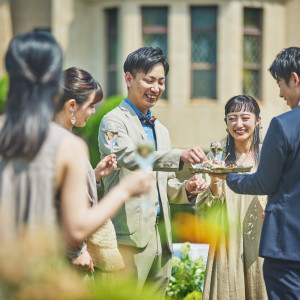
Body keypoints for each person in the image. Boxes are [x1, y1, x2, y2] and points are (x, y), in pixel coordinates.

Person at [0, 32, 152, 252]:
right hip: (42, 271)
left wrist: (94, 174)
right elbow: (76, 231)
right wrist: (125, 189)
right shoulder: (67, 145)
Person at [98, 46, 207, 296]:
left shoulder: (162, 130)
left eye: (161, 82)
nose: (155, 88)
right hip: (128, 238)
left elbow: (164, 185)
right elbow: (128, 155)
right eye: (149, 80)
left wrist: (186, 190)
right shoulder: (113, 122)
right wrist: (178, 155)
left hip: (162, 238)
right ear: (128, 79)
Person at [214, 47, 300, 299]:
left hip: (287, 246)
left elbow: (264, 182)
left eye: (280, 83)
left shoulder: (284, 125)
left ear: (295, 79)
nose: (280, 93)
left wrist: (228, 176)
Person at [196, 95, 268, 300]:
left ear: (257, 121)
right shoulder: (217, 157)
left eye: (245, 117)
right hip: (226, 239)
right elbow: (206, 207)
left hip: (261, 239)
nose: (239, 124)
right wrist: (213, 179)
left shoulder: (269, 155)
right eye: (232, 118)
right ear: (226, 122)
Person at [55, 67, 124, 274]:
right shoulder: (63, 144)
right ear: (72, 106)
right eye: (91, 105)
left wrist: (93, 174)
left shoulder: (61, 138)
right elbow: (56, 203)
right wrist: (76, 251)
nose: (94, 112)